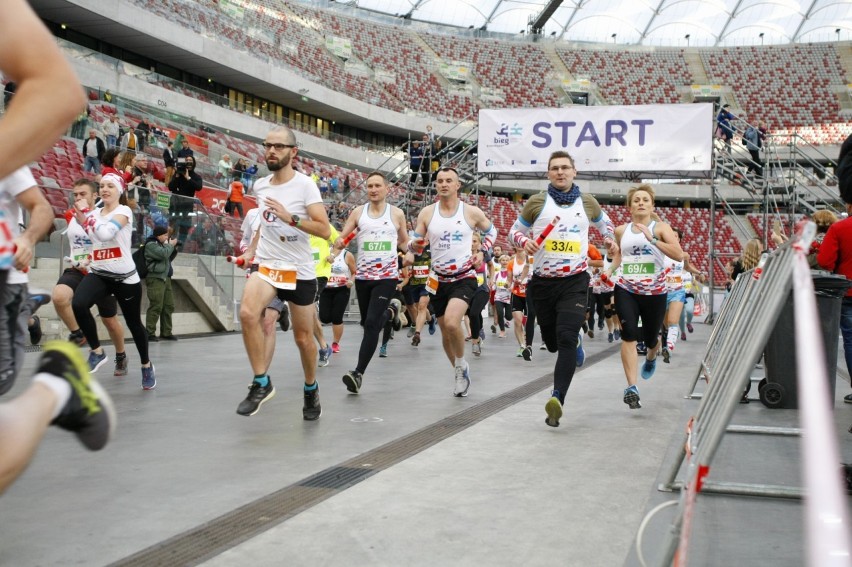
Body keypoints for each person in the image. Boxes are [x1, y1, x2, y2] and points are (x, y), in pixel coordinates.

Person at [0, 0, 115, 495]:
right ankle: (62, 379)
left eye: (90, 194)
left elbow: (41, 210)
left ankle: (56, 386)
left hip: (113, 271)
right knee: (69, 297)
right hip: (81, 268)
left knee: (118, 316)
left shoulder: (120, 212)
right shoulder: (83, 213)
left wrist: (27, 237)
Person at [509, 150, 617, 427]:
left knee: (566, 336)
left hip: (575, 281)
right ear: (548, 173)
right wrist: (524, 242)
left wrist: (609, 240)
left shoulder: (587, 202)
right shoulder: (537, 202)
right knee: (554, 343)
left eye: (565, 168)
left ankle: (557, 397)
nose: (560, 172)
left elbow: (606, 225)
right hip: (543, 283)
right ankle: (573, 342)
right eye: (555, 168)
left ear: (574, 172)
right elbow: (513, 232)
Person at [231, 126, 330, 420]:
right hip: (269, 265)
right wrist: (250, 253)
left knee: (303, 339)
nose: (271, 151)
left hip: (298, 271)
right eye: (267, 145)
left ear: (293, 152)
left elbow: (324, 230)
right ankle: (261, 382)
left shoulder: (305, 186)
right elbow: (265, 224)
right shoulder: (260, 186)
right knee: (249, 314)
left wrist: (292, 218)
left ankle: (311, 387)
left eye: (278, 146)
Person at [408, 167, 497, 397]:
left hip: (464, 277)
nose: (444, 184)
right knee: (445, 334)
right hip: (438, 279)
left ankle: (460, 366)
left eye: (449, 181)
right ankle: (459, 369)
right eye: (440, 181)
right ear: (436, 185)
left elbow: (492, 231)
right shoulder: (427, 213)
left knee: (450, 322)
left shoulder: (471, 212)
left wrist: (483, 253)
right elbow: (414, 240)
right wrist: (413, 246)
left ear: (458, 185)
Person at [71, 173, 155, 389]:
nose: (105, 189)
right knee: (78, 304)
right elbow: (97, 241)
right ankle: (97, 351)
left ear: (120, 190)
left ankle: (146, 365)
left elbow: (107, 234)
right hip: (99, 273)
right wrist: (84, 257)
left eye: (110, 186)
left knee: (134, 324)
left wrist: (88, 216)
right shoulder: (95, 213)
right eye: (102, 186)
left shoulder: (123, 211)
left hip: (125, 278)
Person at [606, 185, 684, 410]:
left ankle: (651, 357)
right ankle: (632, 387)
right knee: (629, 335)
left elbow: (678, 254)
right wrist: (610, 270)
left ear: (652, 205)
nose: (641, 203)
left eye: (645, 200)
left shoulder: (660, 227)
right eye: (636, 200)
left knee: (651, 338)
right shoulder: (621, 230)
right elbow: (620, 255)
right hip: (626, 289)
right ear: (629, 206)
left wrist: (652, 240)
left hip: (655, 293)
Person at [334, 172, 409, 394]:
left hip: (386, 277)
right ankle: (392, 312)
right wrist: (336, 246)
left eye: (377, 185)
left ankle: (358, 373)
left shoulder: (396, 214)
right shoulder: (358, 213)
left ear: (387, 189)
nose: (373, 189)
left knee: (371, 325)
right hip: (364, 278)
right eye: (369, 186)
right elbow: (343, 237)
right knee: (368, 323)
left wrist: (413, 253)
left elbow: (404, 242)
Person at [52, 179, 127, 371]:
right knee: (60, 296)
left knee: (109, 320)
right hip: (77, 269)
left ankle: (121, 355)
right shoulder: (70, 215)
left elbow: (111, 242)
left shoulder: (106, 216)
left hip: (101, 273)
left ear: (95, 196)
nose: (78, 198)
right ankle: (80, 335)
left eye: (82, 194)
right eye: (75, 194)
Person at [0, 166, 56, 396]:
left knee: (3, 377)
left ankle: (25, 305)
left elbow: (42, 208)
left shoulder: (8, 159)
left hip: (6, 279)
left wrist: (27, 239)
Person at [817, 202, 852, 403]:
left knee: (850, 339)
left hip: (848, 290)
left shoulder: (839, 228)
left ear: (849, 205)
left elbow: (825, 261)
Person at [660, 228, 705, 364]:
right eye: (670, 236)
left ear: (679, 239)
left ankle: (669, 348)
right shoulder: (661, 251)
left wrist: (699, 272)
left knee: (673, 321)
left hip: (677, 291)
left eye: (676, 236)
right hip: (661, 292)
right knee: (665, 323)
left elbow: (688, 267)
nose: (673, 238)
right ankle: (668, 339)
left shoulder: (684, 254)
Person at [320, 240, 356, 355]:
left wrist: (351, 281)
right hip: (326, 288)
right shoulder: (324, 253)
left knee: (337, 317)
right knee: (324, 318)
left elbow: (354, 272)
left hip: (341, 289)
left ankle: (335, 343)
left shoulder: (347, 255)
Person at [144, 225, 178, 342]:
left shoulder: (163, 245)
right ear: (158, 235)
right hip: (155, 278)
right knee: (156, 305)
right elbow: (163, 254)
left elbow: (168, 257)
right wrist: (170, 245)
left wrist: (173, 248)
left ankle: (166, 332)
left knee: (168, 306)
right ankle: (149, 333)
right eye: (165, 235)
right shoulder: (151, 244)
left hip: (166, 277)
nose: (167, 237)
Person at [168, 155, 202, 243]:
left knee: (184, 229)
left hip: (187, 207)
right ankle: (170, 245)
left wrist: (188, 178)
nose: (188, 162)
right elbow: (170, 187)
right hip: (175, 205)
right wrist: (177, 176)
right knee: (172, 228)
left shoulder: (196, 177)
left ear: (194, 163)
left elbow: (198, 187)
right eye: (186, 160)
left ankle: (180, 247)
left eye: (190, 161)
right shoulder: (178, 174)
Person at [467, 232, 491, 357]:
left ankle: (475, 342)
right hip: (467, 290)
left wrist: (491, 279)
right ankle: (479, 329)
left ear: (480, 244)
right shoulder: (463, 255)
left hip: (482, 290)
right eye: (470, 241)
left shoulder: (484, 255)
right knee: (473, 315)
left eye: (475, 241)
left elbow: (491, 266)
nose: (472, 244)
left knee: (474, 313)